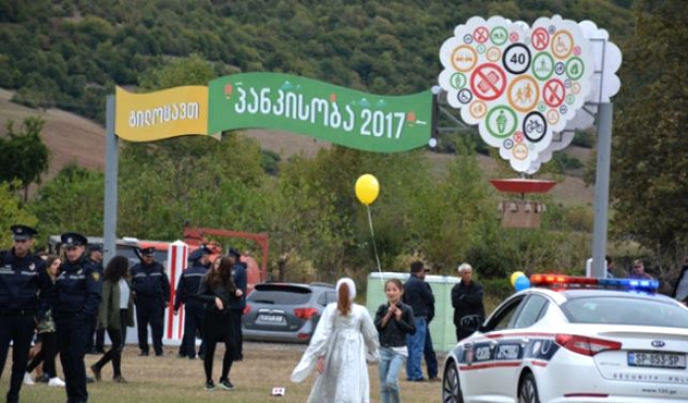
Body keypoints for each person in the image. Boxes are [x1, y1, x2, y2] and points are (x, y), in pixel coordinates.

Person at [291, 278, 379, 403]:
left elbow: (322, 335)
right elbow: (371, 335)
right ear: (353, 293)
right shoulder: (361, 311)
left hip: (334, 351)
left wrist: (320, 355)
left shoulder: (331, 309)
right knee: (351, 382)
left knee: (331, 383)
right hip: (354, 352)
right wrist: (374, 350)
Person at [0, 225, 52, 403]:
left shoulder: (37, 265)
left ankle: (13, 395)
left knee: (21, 359)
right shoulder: (2, 259)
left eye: (23, 241)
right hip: (3, 317)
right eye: (17, 241)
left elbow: (48, 292)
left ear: (30, 242)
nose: (20, 244)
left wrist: (38, 315)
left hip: (25, 318)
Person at [52, 232, 102, 403]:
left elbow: (94, 297)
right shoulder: (63, 269)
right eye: (68, 249)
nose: (71, 253)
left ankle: (80, 397)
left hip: (79, 321)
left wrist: (83, 316)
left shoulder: (90, 269)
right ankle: (71, 396)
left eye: (74, 249)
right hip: (62, 320)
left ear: (82, 249)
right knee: (66, 359)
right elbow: (57, 294)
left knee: (75, 358)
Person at [198, 256, 241, 391]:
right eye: (215, 263)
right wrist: (214, 299)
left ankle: (224, 378)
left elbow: (233, 295)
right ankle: (209, 380)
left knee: (232, 346)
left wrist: (238, 293)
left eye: (219, 264)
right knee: (210, 349)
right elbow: (200, 295)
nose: (216, 266)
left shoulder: (228, 279)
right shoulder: (207, 278)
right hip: (211, 317)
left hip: (226, 317)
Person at [90, 255, 134, 384]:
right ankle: (113, 372)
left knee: (119, 345)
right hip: (113, 316)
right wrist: (103, 320)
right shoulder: (108, 282)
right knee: (118, 344)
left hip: (123, 313)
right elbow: (104, 302)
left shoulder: (125, 280)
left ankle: (104, 369)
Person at [25, 255, 66, 387]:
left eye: (59, 264)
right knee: (51, 346)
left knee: (47, 349)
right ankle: (52, 377)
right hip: (44, 317)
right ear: (48, 266)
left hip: (56, 317)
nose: (57, 267)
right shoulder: (42, 280)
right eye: (54, 264)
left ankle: (27, 371)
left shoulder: (59, 280)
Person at [375, 279, 415, 403]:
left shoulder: (407, 309)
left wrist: (399, 319)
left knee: (391, 381)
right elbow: (376, 327)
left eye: (394, 290)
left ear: (401, 291)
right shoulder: (382, 308)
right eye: (388, 290)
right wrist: (388, 314)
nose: (391, 293)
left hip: (399, 350)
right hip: (383, 350)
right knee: (383, 385)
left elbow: (412, 330)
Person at [131, 246, 170, 357]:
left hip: (156, 301)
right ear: (143, 256)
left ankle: (159, 350)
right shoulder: (135, 269)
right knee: (142, 326)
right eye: (148, 257)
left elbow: (166, 284)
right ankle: (144, 349)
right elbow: (130, 284)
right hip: (141, 301)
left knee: (157, 326)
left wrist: (167, 299)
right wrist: (133, 297)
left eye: (152, 257)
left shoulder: (158, 267)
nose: (150, 259)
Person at [174, 245, 212, 360]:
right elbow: (211, 289)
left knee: (189, 330)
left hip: (189, 303)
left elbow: (180, 290)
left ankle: (190, 353)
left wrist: (176, 307)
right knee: (205, 330)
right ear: (200, 259)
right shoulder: (207, 273)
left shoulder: (186, 272)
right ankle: (203, 353)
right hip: (203, 304)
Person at [403, 261, 434, 382]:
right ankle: (416, 374)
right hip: (419, 317)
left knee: (410, 346)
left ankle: (410, 373)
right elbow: (430, 298)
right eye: (423, 271)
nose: (424, 274)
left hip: (409, 318)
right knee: (418, 347)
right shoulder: (420, 284)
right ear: (420, 270)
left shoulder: (406, 284)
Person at [451, 263, 485, 342]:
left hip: (476, 323)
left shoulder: (478, 287)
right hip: (462, 325)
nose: (468, 275)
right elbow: (455, 303)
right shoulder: (456, 288)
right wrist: (470, 299)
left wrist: (464, 297)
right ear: (461, 274)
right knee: (464, 346)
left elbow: (478, 300)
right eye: (465, 273)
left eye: (469, 272)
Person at [227, 247, 246, 361]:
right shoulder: (234, 268)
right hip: (233, 303)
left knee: (235, 330)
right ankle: (234, 352)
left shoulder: (237, 269)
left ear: (234, 258)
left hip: (236, 303)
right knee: (232, 329)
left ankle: (236, 353)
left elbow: (231, 280)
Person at [86, 244, 105, 355]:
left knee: (94, 325)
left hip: (97, 299)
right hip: (90, 299)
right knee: (89, 325)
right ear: (93, 252)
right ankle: (87, 346)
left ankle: (94, 346)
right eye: (100, 251)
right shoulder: (89, 265)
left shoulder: (99, 266)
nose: (101, 254)